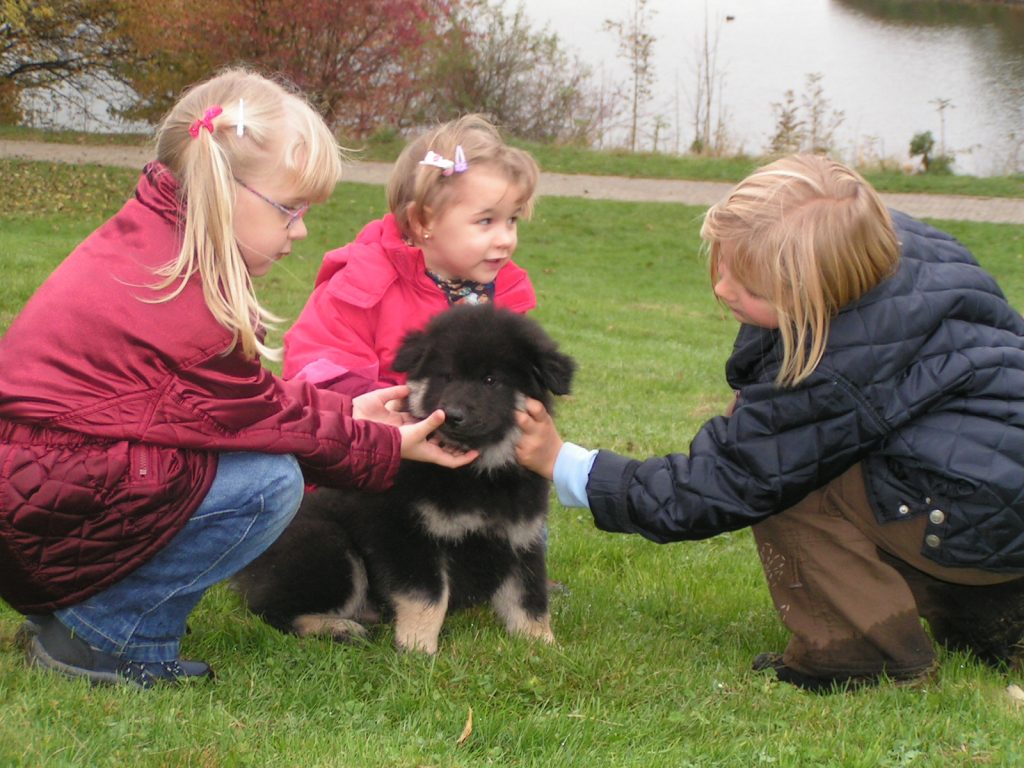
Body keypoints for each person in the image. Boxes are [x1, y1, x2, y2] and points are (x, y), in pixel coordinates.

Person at [0, 68, 476, 690]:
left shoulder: (155, 247)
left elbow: (246, 405)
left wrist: (350, 416)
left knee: (238, 462)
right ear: (224, 190)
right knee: (266, 484)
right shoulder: (182, 303)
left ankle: (75, 608)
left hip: (37, 497)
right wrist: (384, 444)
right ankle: (107, 636)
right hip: (42, 509)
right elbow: (264, 426)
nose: (301, 231)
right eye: (291, 210)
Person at [515, 153, 1024, 692]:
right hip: (995, 493)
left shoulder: (831, 371)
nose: (724, 288)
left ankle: (861, 655)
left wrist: (568, 465)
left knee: (788, 481)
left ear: (815, 298)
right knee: (839, 456)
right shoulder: (902, 247)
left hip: (966, 514)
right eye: (723, 261)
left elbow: (724, 483)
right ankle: (992, 614)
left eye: (753, 289)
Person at [282, 114, 538, 396]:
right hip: (373, 434)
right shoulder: (364, 284)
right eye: (486, 221)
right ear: (422, 222)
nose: (506, 239)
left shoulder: (506, 295)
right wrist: (391, 411)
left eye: (512, 220)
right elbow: (318, 369)